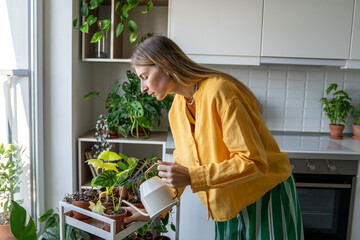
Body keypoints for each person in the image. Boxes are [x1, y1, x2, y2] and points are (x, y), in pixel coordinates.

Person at [123, 35, 304, 240]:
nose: (143, 88)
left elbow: (253, 161)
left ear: (164, 64)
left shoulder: (220, 91)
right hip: (226, 205)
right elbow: (184, 166)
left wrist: (193, 177)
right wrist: (148, 212)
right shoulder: (176, 110)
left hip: (264, 195)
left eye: (144, 77)